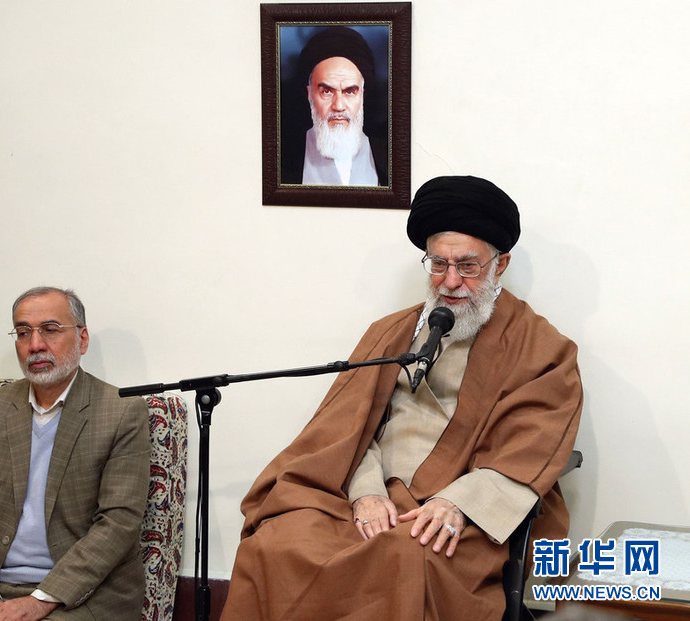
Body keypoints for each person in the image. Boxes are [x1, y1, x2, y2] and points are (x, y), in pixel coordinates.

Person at [221, 176, 583, 620]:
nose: (451, 281)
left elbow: (531, 448)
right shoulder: (391, 332)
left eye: (468, 266)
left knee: (405, 559)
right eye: (439, 264)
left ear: (500, 264)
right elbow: (346, 431)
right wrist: (366, 492)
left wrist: (457, 504)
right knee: (278, 541)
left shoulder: (543, 349)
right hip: (369, 491)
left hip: (462, 508)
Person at [0, 286, 150, 621]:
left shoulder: (121, 412)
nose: (35, 345)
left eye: (50, 329)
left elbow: (118, 524)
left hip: (82, 594)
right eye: (23, 332)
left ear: (82, 339)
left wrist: (37, 602)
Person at [281, 27, 388, 186]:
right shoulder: (283, 160)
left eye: (349, 92)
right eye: (327, 92)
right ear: (310, 93)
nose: (338, 106)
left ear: (362, 95)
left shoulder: (388, 157)